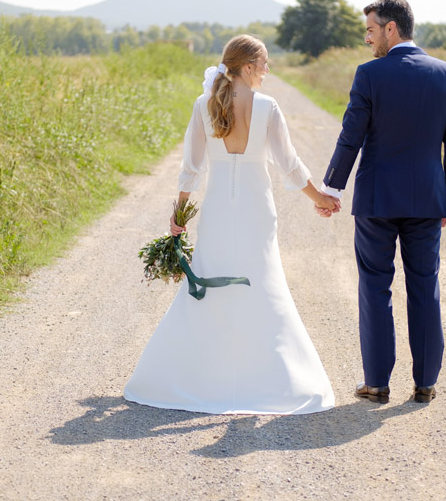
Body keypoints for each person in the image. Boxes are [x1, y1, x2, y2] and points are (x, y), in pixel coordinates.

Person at [124, 35, 337, 414]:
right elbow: (289, 165)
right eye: (265, 64)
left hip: (218, 210)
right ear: (249, 66)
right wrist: (319, 198)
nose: (268, 71)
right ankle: (269, 378)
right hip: (257, 209)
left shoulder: (203, 105)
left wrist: (180, 213)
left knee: (211, 286)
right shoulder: (267, 107)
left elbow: (191, 167)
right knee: (264, 285)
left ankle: (199, 379)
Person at [319, 0, 446, 404]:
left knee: (374, 288)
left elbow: (351, 136)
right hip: (426, 201)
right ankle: (425, 384)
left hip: (377, 201)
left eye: (370, 29)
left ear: (390, 28)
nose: (367, 39)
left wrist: (332, 189)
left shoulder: (369, 75)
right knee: (425, 287)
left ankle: (378, 383)